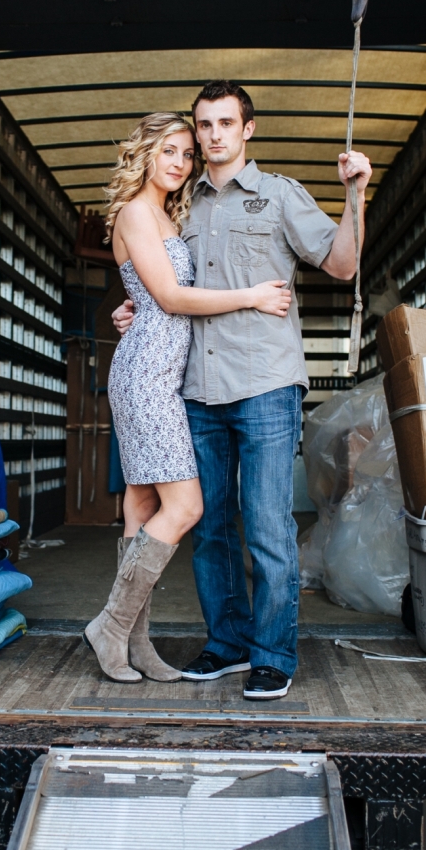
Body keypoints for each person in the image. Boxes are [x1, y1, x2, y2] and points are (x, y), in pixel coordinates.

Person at [112, 80, 372, 699]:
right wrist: (129, 312)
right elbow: (158, 288)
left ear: (247, 129)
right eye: (204, 126)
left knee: (267, 526)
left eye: (226, 123)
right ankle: (225, 644)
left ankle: (272, 654)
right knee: (212, 528)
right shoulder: (179, 205)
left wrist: (356, 194)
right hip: (195, 387)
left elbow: (341, 264)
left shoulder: (280, 195)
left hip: (264, 384)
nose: (213, 135)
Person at [84, 111, 292, 683]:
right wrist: (250, 295)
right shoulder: (135, 212)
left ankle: (131, 646)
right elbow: (171, 298)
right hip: (147, 376)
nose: (179, 163)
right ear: (145, 152)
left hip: (162, 375)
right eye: (169, 151)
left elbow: (147, 298)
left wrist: (133, 308)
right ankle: (110, 626)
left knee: (143, 506)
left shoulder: (166, 214)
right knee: (188, 507)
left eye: (186, 154)